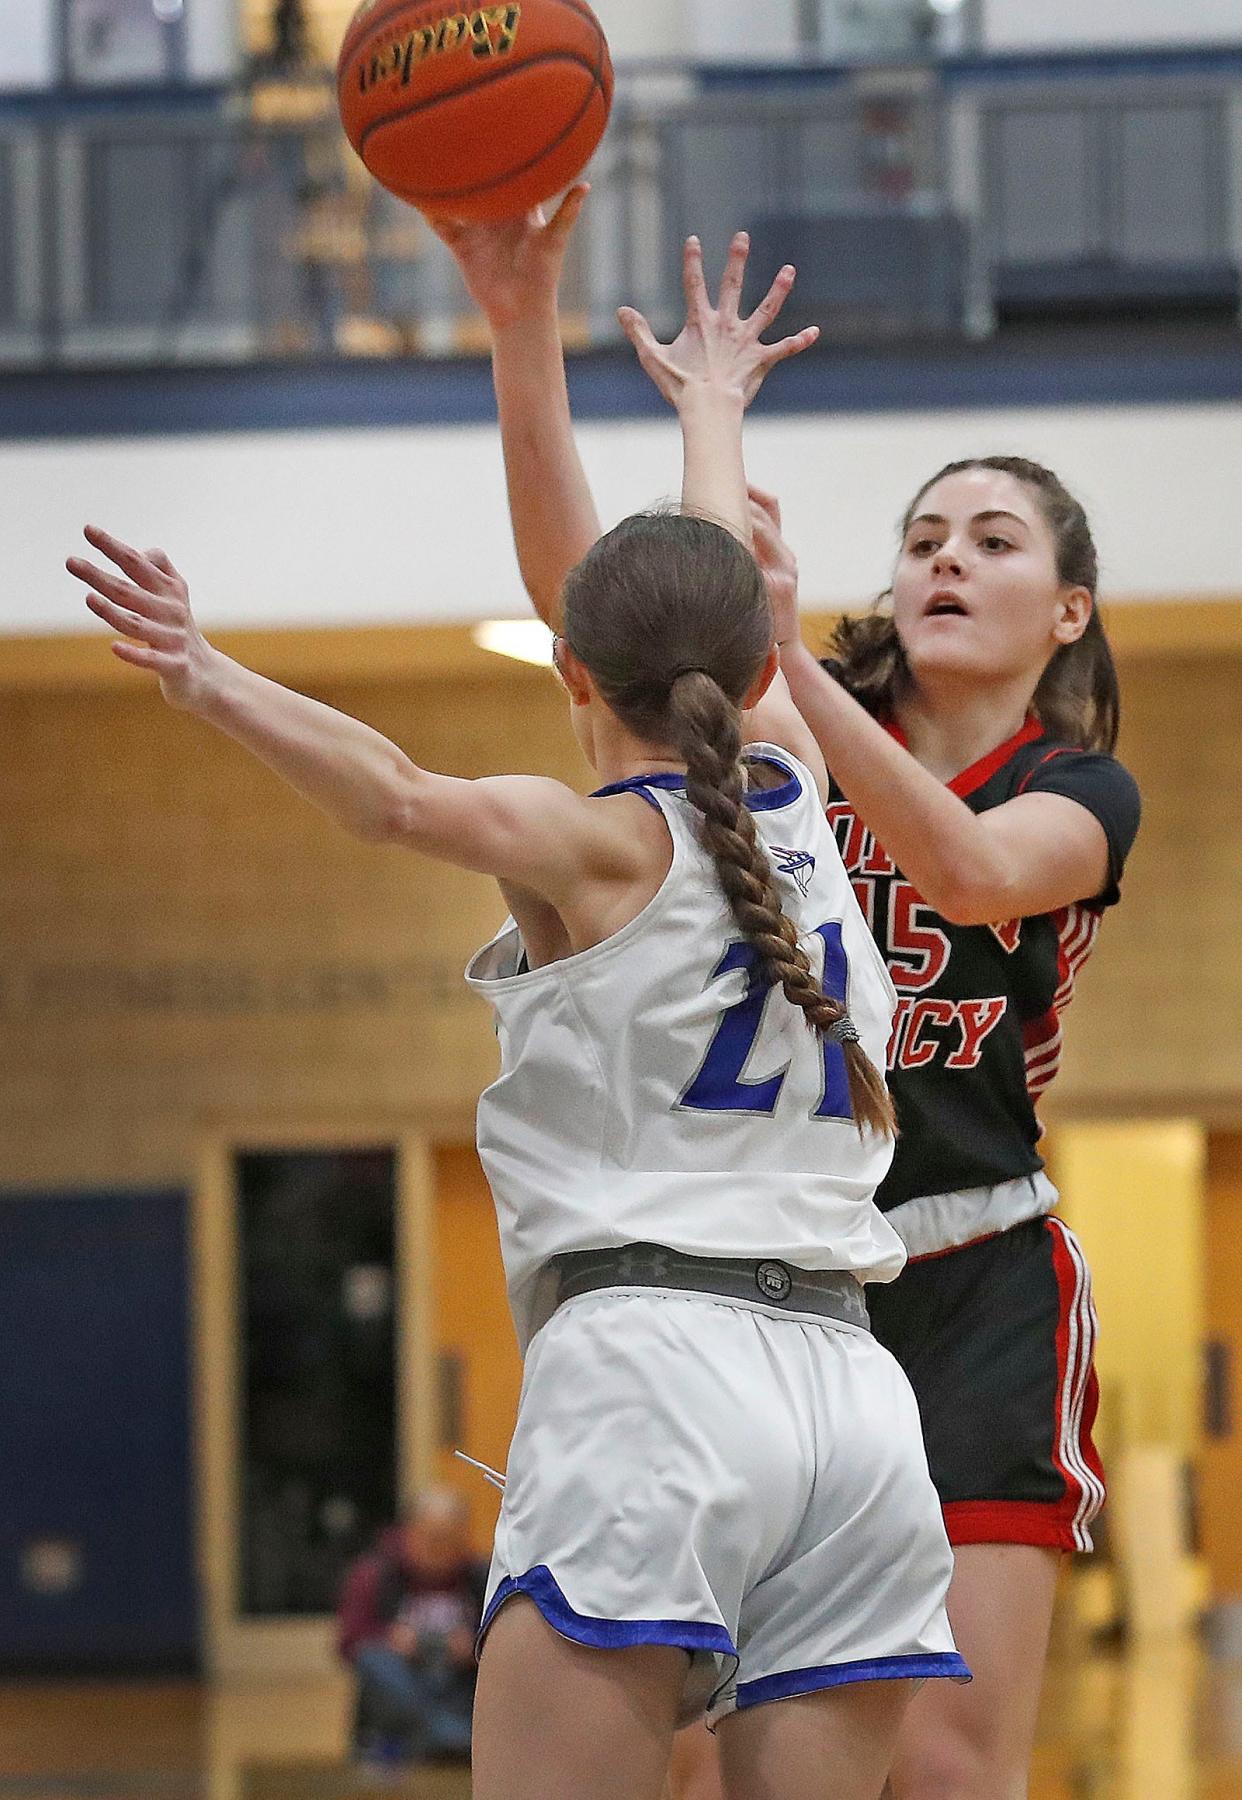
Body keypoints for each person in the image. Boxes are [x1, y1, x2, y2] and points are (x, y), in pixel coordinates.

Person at [68, 241, 967, 1800]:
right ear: (764, 666)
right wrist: (710, 404)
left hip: (656, 1385)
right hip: (853, 1400)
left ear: (567, 668)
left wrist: (209, 677)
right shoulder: (798, 809)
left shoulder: (602, 844)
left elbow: (400, 795)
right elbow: (718, 586)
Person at [433, 198, 1140, 1800]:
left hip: (973, 1272)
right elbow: (596, 610)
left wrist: (775, 654)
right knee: (682, 1752)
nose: (946, 557)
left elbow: (958, 867)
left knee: (951, 1764)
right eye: (923, 537)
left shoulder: (1071, 787)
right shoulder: (770, 740)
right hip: (768, 1279)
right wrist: (527, 338)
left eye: (994, 539)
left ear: (1069, 611)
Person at [336, 1490, 486, 1767]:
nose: (440, 1550)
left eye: (450, 1541)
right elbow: (349, 1643)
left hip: (460, 1686)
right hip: (400, 1689)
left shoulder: (482, 1579)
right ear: (409, 1534)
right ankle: (440, 1732)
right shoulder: (373, 1575)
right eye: (432, 1539)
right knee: (375, 1660)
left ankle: (442, 1732)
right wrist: (392, 1641)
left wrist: (476, 1646)